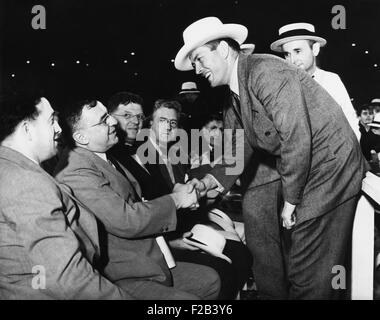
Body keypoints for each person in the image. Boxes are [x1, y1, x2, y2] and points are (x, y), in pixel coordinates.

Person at [174, 16, 368, 299]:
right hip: (312, 169)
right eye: (193, 63)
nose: (197, 69)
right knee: (305, 265)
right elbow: (235, 155)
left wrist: (290, 201)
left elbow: (296, 137)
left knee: (307, 270)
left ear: (224, 50)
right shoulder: (234, 98)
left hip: (331, 168)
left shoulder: (266, 71)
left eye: (200, 58)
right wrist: (203, 185)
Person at [54, 98, 220, 300]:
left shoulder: (103, 154)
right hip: (122, 274)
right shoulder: (76, 170)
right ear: (81, 136)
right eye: (104, 120)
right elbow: (127, 221)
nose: (113, 122)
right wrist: (176, 199)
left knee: (211, 280)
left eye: (109, 116)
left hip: (148, 258)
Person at [0, 93, 132, 299]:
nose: (59, 128)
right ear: (27, 129)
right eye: (52, 120)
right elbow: (69, 278)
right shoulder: (26, 182)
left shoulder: (9, 169)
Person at [270, 22, 360, 140]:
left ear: (315, 49)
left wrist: (349, 153)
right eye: (287, 54)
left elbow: (350, 120)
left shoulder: (331, 80)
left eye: (298, 51)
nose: (292, 60)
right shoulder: (280, 87)